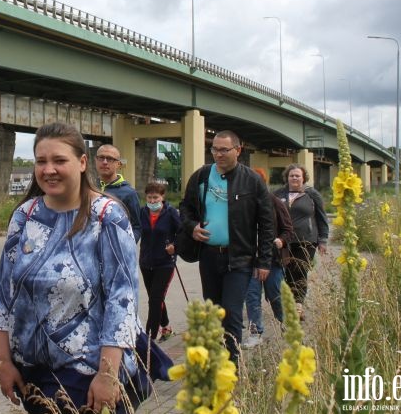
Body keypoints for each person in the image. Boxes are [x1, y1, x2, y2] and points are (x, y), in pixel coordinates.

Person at [0, 123, 145, 414]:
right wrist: (3, 362)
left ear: (82, 162)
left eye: (59, 160)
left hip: (87, 376)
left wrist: (108, 374)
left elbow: (122, 300)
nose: (49, 169)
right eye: (41, 161)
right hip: (34, 373)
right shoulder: (25, 216)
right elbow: (5, 295)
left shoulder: (107, 216)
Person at [177, 130, 275, 364]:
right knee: (213, 313)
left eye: (224, 150)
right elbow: (185, 208)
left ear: (238, 150)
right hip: (209, 256)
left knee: (230, 313)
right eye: (214, 149)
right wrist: (192, 227)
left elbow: (267, 223)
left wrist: (264, 260)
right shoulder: (201, 176)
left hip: (239, 258)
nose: (218, 154)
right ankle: (214, 362)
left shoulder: (253, 180)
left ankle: (232, 369)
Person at [242, 167, 294, 349]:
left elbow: (288, 229)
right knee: (252, 296)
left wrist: (281, 240)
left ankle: (287, 325)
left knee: (276, 295)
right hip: (250, 260)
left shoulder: (275, 202)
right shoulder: (243, 203)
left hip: (273, 260)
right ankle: (256, 333)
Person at [273, 163, 329, 320]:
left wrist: (323, 240)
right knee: (287, 272)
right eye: (292, 175)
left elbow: (321, 218)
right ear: (287, 177)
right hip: (284, 241)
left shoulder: (312, 194)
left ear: (303, 178)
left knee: (300, 271)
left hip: (306, 240)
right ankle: (290, 303)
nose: (294, 178)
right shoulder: (278, 194)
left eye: (298, 175)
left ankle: (298, 306)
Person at [138, 181, 181, 341]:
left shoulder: (171, 213)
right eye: (149, 198)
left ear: (162, 197)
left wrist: (174, 246)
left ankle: (149, 339)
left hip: (165, 263)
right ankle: (166, 327)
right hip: (146, 262)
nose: (152, 201)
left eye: (155, 197)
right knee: (156, 298)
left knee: (155, 300)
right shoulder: (142, 212)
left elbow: (182, 233)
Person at [95, 143, 142, 241]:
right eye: (101, 158)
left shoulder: (129, 193)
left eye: (110, 159)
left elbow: (136, 226)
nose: (104, 162)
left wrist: (127, 247)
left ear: (118, 164)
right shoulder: (89, 188)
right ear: (96, 160)